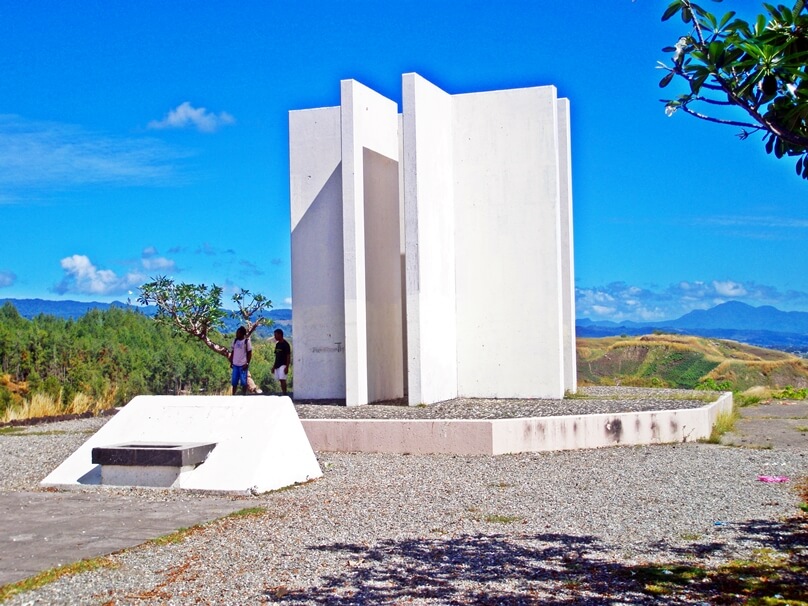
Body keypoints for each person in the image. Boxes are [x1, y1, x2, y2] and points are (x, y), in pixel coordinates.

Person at [229, 326, 252, 395]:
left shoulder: (246, 342)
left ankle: (243, 395)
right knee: (234, 382)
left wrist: (247, 363)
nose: (236, 334)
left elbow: (249, 353)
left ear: (242, 334)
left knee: (243, 382)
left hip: (243, 365)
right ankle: (233, 394)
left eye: (238, 333)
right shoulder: (235, 341)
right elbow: (233, 351)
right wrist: (231, 361)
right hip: (235, 364)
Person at [273, 328, 291, 394]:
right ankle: (283, 392)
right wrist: (274, 366)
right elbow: (276, 356)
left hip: (283, 364)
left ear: (280, 335)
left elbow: (288, 356)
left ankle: (285, 393)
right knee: (280, 380)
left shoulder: (286, 344)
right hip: (277, 364)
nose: (275, 336)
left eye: (276, 335)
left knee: (282, 379)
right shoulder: (277, 344)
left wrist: (287, 367)